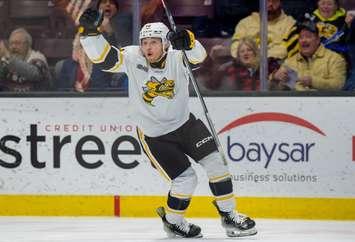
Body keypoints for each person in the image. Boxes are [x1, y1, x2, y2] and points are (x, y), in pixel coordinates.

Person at [78, 8, 257, 238]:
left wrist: (189, 42)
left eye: (154, 42)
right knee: (186, 180)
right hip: (156, 136)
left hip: (186, 125)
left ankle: (229, 215)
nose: (148, 47)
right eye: (144, 42)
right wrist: (90, 33)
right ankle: (173, 222)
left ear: (166, 44)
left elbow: (199, 58)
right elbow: (104, 59)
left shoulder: (177, 56)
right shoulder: (133, 57)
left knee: (217, 164)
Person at [271, 19, 347, 90]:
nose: (303, 40)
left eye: (308, 36)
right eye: (301, 37)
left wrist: (313, 82)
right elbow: (274, 91)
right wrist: (274, 79)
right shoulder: (289, 62)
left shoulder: (335, 59)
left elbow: (339, 85)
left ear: (318, 40)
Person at [228, 0, 296, 60]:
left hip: (276, 68)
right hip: (245, 66)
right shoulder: (245, 23)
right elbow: (235, 45)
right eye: (266, 1)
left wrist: (256, 56)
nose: (270, 4)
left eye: (274, 1)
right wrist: (246, 56)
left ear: (280, 2)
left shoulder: (290, 24)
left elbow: (285, 49)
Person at [0, 28, 51, 92]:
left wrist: (8, 57)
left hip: (35, 100)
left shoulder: (38, 57)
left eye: (17, 43)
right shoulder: (6, 60)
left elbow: (34, 74)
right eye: (11, 43)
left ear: (27, 45)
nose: (13, 47)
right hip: (8, 100)